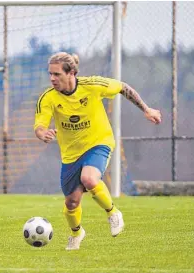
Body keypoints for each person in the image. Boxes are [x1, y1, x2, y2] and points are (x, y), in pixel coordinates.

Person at [34, 52, 162, 250]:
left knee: (89, 179)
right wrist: (42, 134)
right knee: (71, 203)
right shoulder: (48, 98)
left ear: (72, 73)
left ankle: (113, 213)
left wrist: (147, 109)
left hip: (99, 141)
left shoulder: (92, 85)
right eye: (50, 74)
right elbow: (40, 126)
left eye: (57, 74)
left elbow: (123, 87)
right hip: (71, 154)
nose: (52, 78)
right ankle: (76, 234)